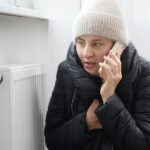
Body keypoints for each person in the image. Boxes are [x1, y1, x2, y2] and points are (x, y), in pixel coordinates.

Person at [44, 0, 150, 149]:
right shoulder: (66, 71)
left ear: (118, 47)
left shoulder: (144, 74)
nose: (86, 53)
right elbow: (52, 140)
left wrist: (109, 98)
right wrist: (86, 122)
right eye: (81, 42)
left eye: (96, 44)